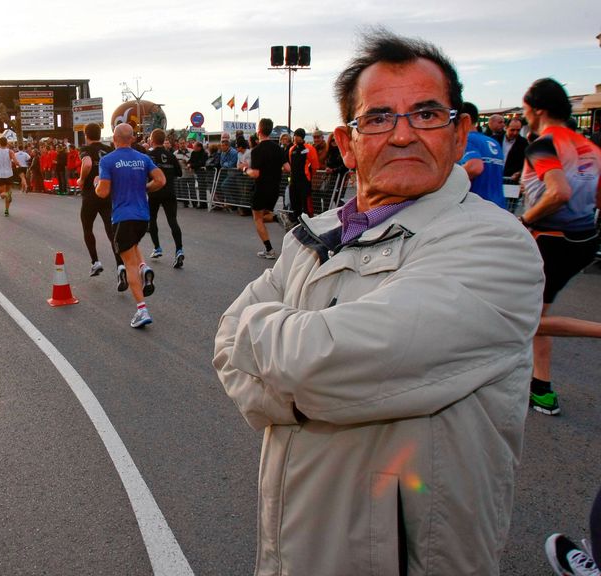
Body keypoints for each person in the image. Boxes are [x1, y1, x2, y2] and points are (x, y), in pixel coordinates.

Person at [213, 30, 544, 574]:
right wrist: (308, 387)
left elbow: (324, 357)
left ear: (460, 133)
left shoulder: (497, 244)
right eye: (379, 118)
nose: (404, 135)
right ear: (348, 143)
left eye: (427, 114)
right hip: (291, 549)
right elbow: (225, 343)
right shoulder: (313, 234)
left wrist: (289, 384)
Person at [518, 77, 601, 416]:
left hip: (549, 240)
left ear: (537, 110)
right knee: (536, 314)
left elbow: (559, 192)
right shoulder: (591, 147)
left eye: (524, 111)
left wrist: (525, 220)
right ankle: (541, 388)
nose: (524, 118)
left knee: (524, 318)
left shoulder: (542, 144)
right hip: (583, 239)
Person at [95, 123, 166, 328]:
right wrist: (145, 186)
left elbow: (102, 192)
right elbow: (160, 180)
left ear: (114, 139)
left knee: (129, 264)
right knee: (132, 248)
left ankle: (142, 310)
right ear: (132, 139)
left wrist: (96, 182)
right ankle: (144, 268)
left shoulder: (108, 160)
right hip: (143, 217)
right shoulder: (143, 158)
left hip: (122, 216)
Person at [76, 123, 121, 278]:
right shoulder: (108, 149)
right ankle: (120, 264)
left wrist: (81, 179)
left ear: (86, 135)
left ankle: (95, 262)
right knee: (111, 231)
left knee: (87, 228)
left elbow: (87, 163)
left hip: (90, 194)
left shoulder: (85, 149)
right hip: (107, 193)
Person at [145, 129, 185, 267]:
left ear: (152, 139)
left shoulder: (149, 155)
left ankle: (157, 248)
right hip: (169, 191)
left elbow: (144, 173)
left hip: (154, 191)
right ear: (163, 140)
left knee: (152, 219)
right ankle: (179, 250)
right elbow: (179, 173)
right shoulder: (170, 155)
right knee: (173, 221)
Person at [246, 118, 282, 259]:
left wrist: (245, 169)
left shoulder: (257, 150)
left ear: (259, 131)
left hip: (261, 188)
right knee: (264, 215)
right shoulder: (278, 148)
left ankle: (269, 250)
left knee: (257, 219)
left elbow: (255, 174)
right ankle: (278, 217)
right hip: (275, 188)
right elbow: (287, 167)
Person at [460, 102, 506, 208]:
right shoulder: (493, 142)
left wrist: (450, 180)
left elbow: (475, 167)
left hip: (476, 207)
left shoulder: (466, 139)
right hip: (498, 205)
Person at [285, 127, 317, 221]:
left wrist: (310, 176)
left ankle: (307, 221)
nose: (296, 138)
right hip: (293, 179)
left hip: (304, 180)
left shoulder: (309, 148)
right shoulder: (292, 149)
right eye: (295, 135)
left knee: (305, 203)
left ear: (302, 137)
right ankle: (296, 220)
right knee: (294, 201)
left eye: (298, 136)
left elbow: (315, 165)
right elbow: (291, 163)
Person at [0, 137, 17, 216]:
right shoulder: (10, 151)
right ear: (7, 143)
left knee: (2, 194)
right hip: (9, 174)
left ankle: (6, 206)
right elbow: (15, 161)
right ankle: (6, 210)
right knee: (8, 192)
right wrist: (18, 164)